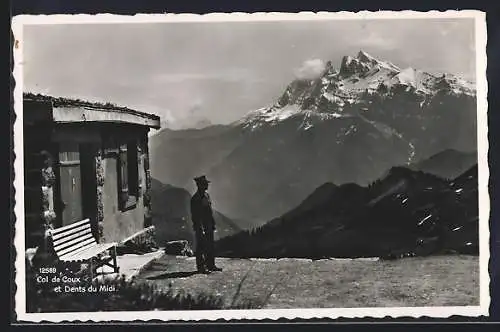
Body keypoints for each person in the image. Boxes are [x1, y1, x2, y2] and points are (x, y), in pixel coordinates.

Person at [190, 175, 223, 274]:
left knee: (210, 245)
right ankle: (201, 267)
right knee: (201, 246)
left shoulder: (206, 196)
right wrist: (200, 227)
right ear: (199, 185)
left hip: (208, 224)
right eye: (205, 184)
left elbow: (209, 211)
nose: (207, 186)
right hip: (201, 226)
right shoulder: (195, 199)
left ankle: (210, 265)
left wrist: (212, 223)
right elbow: (195, 215)